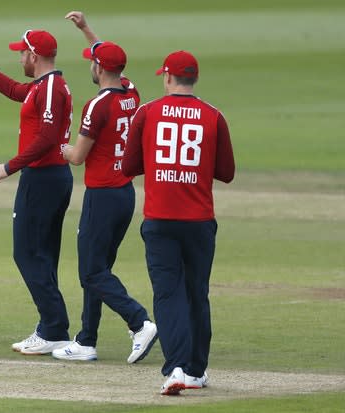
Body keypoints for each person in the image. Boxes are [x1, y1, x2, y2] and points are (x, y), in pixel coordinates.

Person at [121, 50, 235, 395]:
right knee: (197, 294)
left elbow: (128, 166)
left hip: (159, 219)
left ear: (168, 77)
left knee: (168, 294)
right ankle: (196, 371)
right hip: (199, 221)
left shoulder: (148, 112)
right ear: (194, 79)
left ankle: (176, 369)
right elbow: (226, 173)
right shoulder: (214, 116)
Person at [52, 12, 157, 364]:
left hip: (101, 195)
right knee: (99, 270)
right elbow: (108, 56)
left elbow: (77, 156)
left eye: (93, 63)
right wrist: (85, 29)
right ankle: (86, 340)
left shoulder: (97, 105)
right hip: (125, 194)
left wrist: (60, 146)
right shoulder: (131, 92)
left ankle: (139, 322)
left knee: (91, 272)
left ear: (99, 68)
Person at [0, 30, 73, 355]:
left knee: (26, 253)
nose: (20, 58)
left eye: (22, 53)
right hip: (47, 177)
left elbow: (49, 137)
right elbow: (14, 90)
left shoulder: (51, 86)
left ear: (34, 56)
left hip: (44, 178)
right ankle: (52, 326)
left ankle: (54, 328)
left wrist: (9, 166)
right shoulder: (41, 86)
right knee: (42, 254)